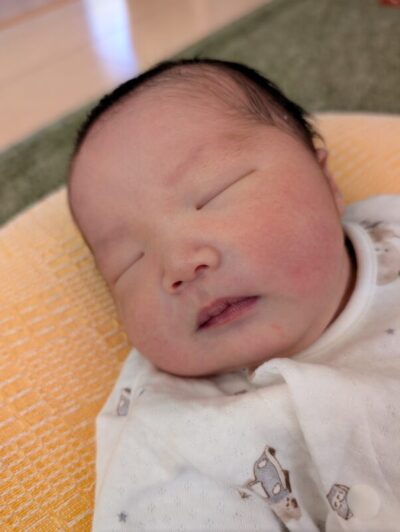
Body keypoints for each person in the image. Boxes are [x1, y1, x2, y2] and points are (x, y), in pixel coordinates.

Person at [67, 59, 400, 531]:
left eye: (214, 193)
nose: (178, 265)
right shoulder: (175, 435)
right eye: (128, 260)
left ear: (327, 183)